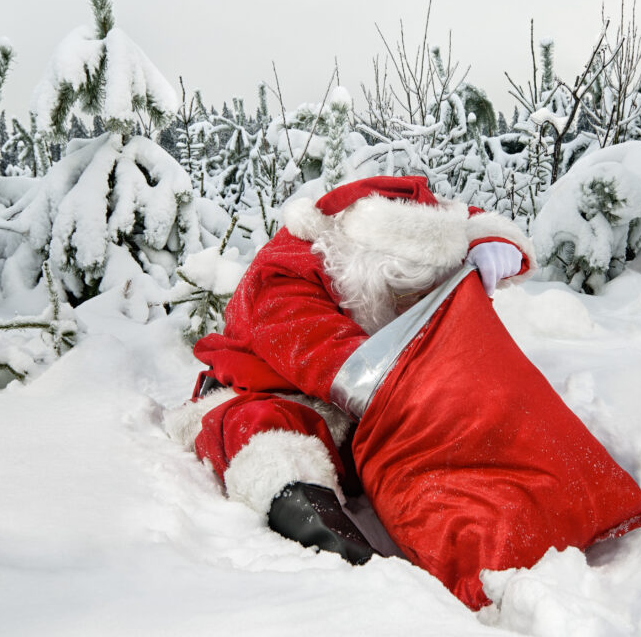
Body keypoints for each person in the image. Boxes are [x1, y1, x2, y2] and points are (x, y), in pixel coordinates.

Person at [177, 175, 535, 564]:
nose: (411, 304)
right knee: (264, 429)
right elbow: (325, 353)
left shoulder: (410, 238)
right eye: (402, 293)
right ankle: (305, 509)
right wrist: (426, 404)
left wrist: (492, 242)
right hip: (273, 384)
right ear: (369, 267)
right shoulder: (287, 271)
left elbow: (467, 219)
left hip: (374, 392)